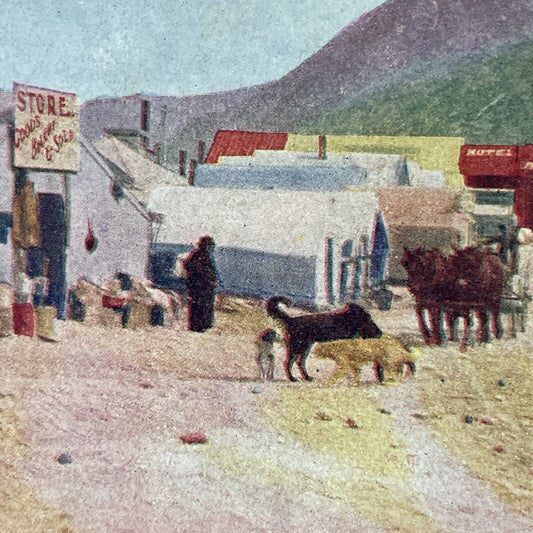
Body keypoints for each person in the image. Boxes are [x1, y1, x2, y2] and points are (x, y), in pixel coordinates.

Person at [183, 235, 218, 332]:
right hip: (199, 287)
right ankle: (196, 327)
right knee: (198, 307)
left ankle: (204, 326)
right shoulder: (197, 255)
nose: (210, 248)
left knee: (205, 307)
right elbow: (187, 265)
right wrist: (201, 277)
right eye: (209, 246)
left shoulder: (206, 256)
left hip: (206, 288)